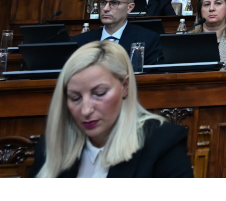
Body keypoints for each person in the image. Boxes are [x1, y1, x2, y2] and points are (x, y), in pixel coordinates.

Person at [30, 41, 193, 178]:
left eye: (99, 93)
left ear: (125, 86)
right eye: (75, 98)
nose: (86, 110)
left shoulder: (162, 143)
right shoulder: (50, 146)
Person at [73, 0, 162, 65]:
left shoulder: (149, 40)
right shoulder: (80, 41)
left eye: (114, 3)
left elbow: (152, 75)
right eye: (103, 2)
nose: (106, 8)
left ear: (130, 7)